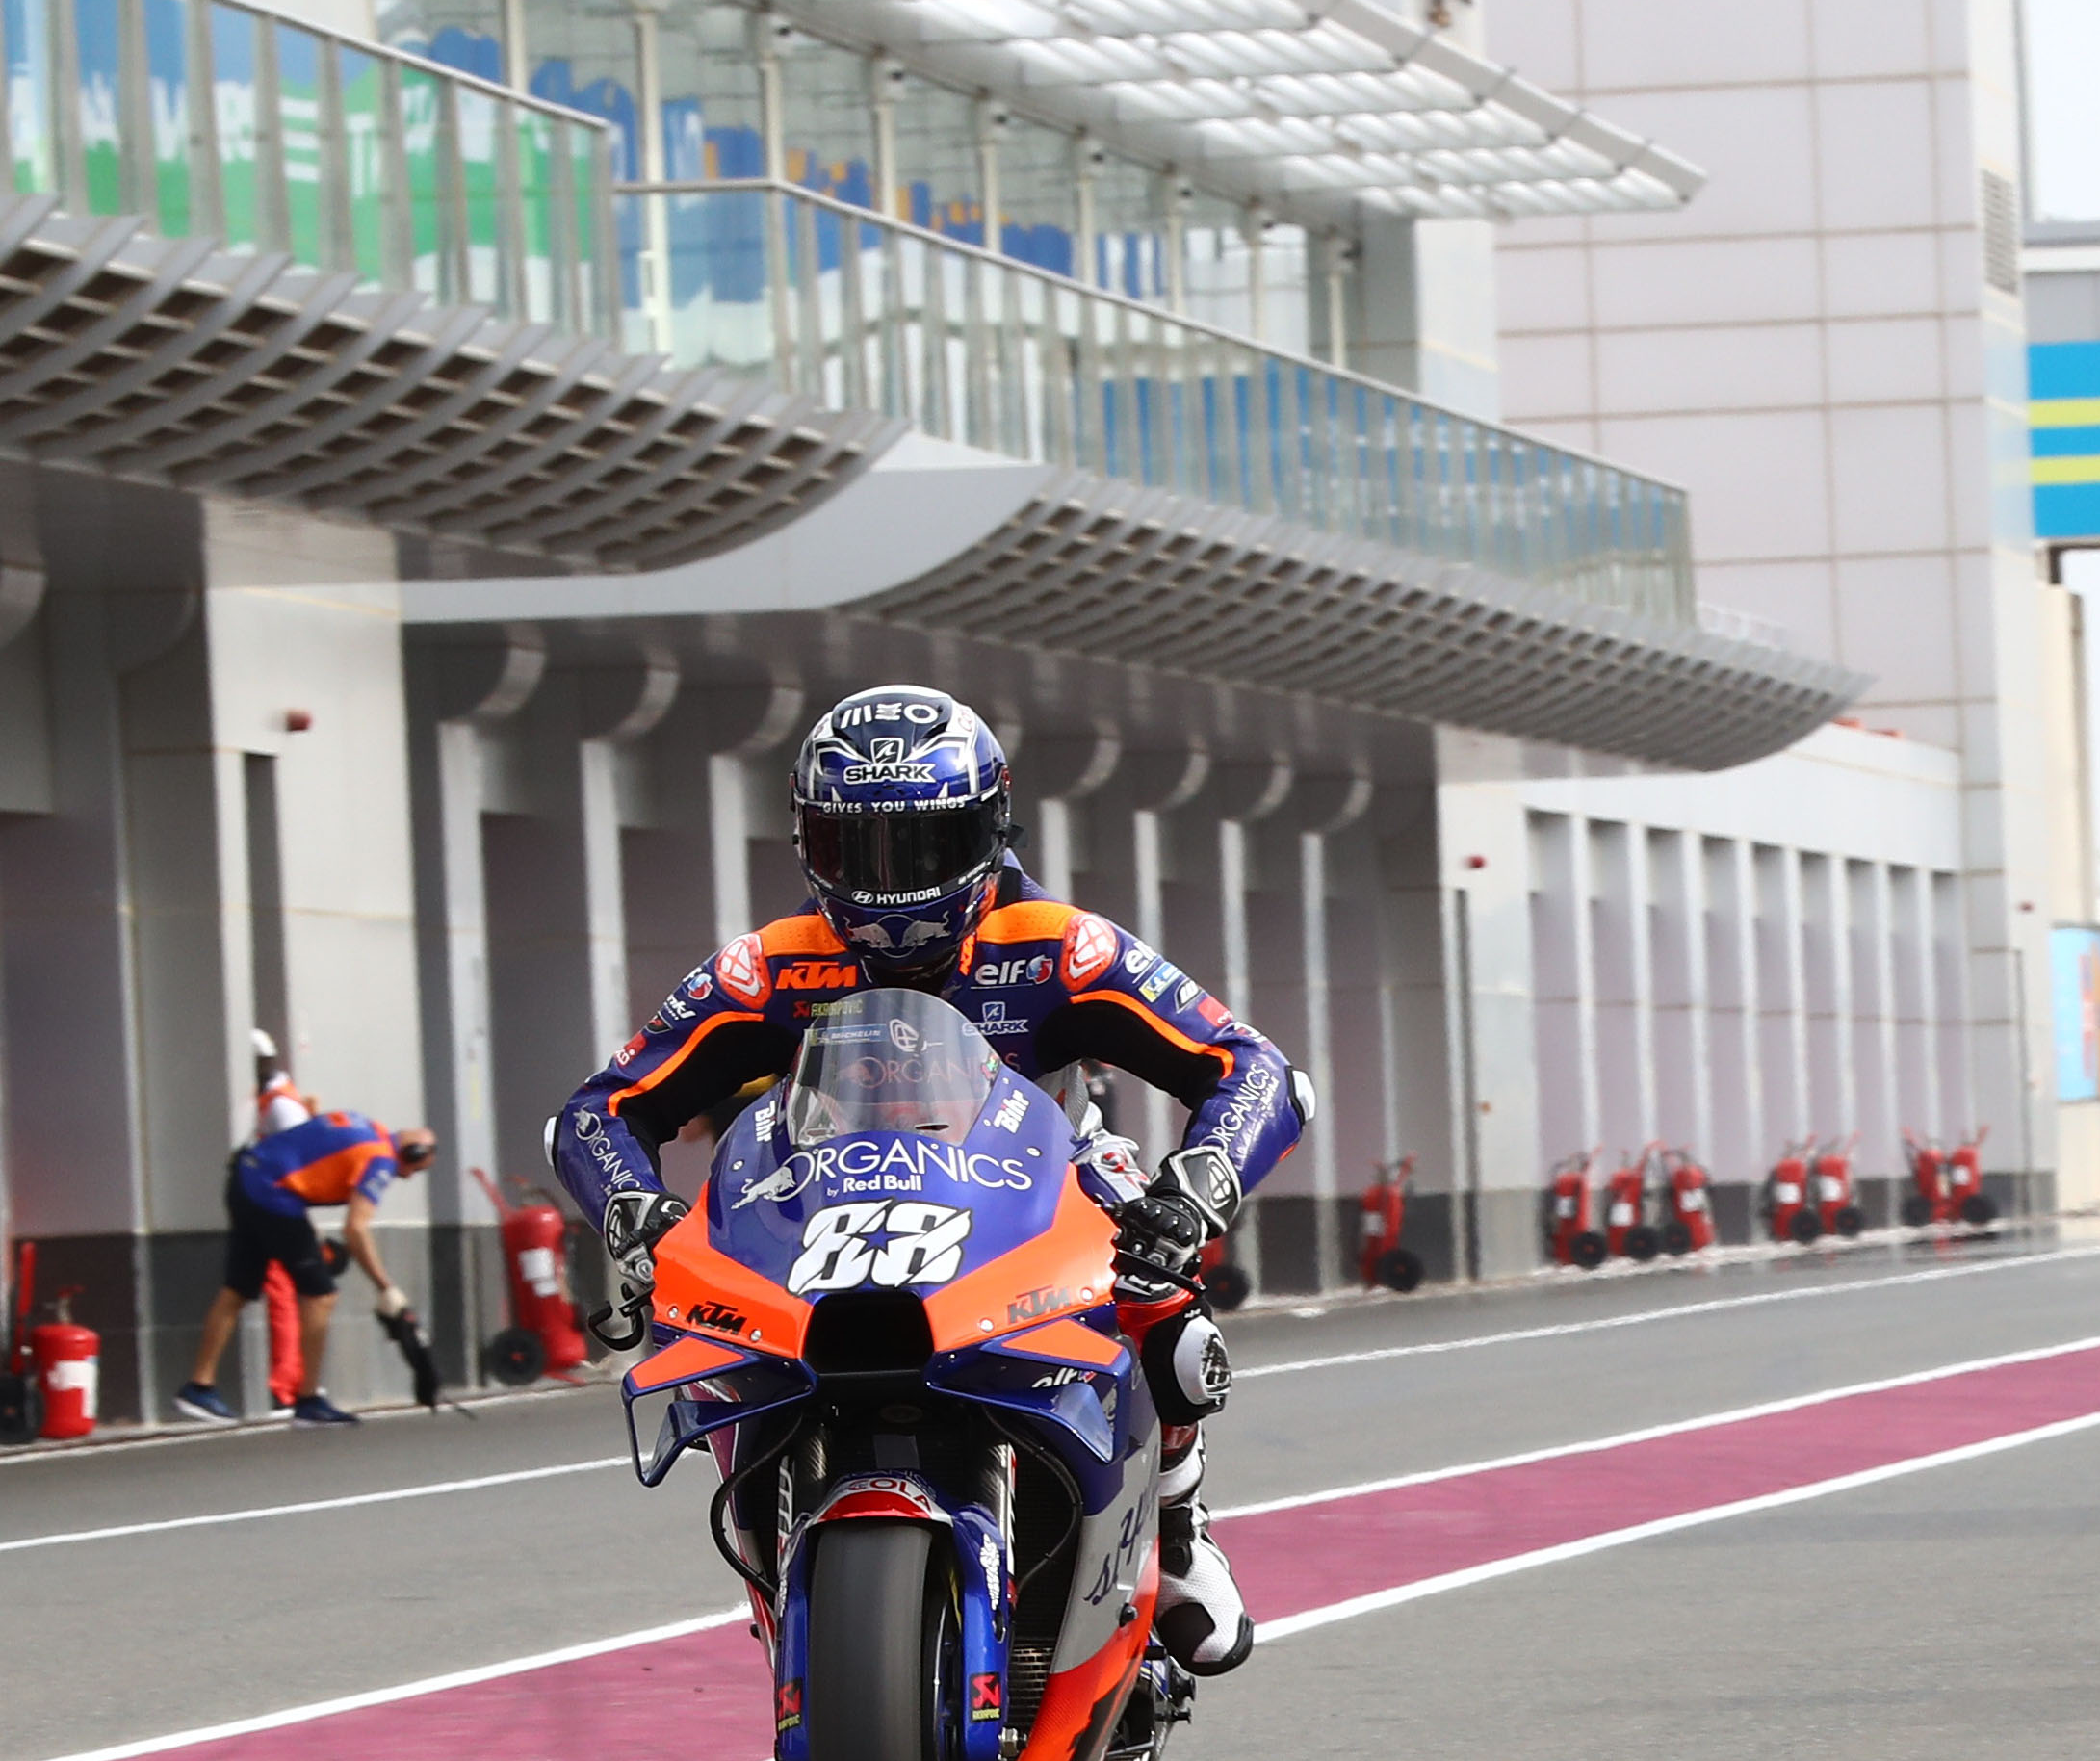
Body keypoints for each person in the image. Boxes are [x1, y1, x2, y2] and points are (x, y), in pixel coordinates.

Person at [553, 686, 1308, 1677]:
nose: (887, 882)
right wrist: (633, 1210)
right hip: (821, 1220)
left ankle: (1174, 1520)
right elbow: (595, 1110)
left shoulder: (1059, 944)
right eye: (850, 849)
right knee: (697, 1326)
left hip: (1037, 1202)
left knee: (1160, 1288)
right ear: (805, 843)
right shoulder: (767, 967)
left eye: (920, 847)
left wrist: (1197, 1183)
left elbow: (1255, 1070)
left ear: (988, 831)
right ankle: (779, 1542)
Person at [173, 1111, 436, 1426]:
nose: (406, 1177)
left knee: (239, 1288)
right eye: (414, 1170)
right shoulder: (380, 1161)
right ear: (413, 1153)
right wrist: (386, 1287)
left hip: (246, 1175)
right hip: (274, 1195)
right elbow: (356, 1229)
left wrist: (310, 1232)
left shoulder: (365, 1126)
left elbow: (305, 1158)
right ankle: (309, 1399)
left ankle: (198, 1387)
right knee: (321, 1294)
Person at [249, 1031, 315, 1411]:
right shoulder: (275, 1100)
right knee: (284, 1295)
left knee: (282, 1296)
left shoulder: (281, 1107)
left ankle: (285, 1383)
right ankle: (288, 1381)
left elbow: (299, 1159)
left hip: (278, 1207)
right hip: (274, 1206)